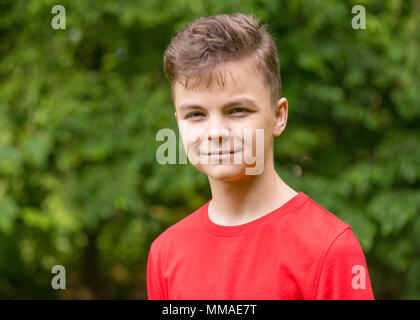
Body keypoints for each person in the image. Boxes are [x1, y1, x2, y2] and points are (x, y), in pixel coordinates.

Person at [147, 13, 374, 300]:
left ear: (278, 116)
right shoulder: (165, 253)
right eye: (196, 115)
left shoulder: (330, 248)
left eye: (237, 110)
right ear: (178, 121)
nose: (216, 132)